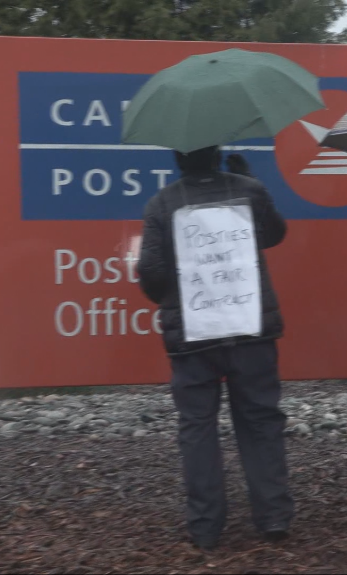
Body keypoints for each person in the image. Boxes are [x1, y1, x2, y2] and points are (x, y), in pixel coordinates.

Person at [137, 147, 293, 551]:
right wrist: (253, 181)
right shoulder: (248, 190)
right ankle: (274, 516)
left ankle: (206, 527)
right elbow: (276, 234)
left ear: (178, 159)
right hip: (251, 330)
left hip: (193, 333)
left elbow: (151, 273)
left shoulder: (162, 203)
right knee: (260, 420)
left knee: (197, 428)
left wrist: (173, 293)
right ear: (219, 154)